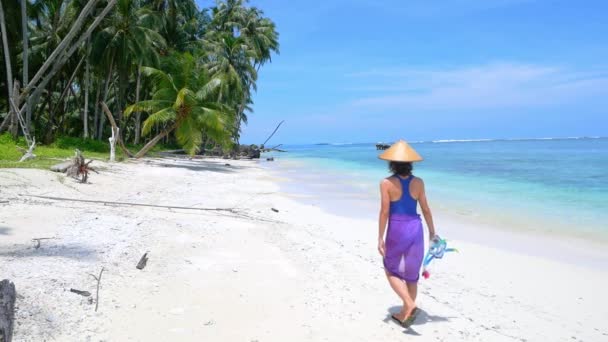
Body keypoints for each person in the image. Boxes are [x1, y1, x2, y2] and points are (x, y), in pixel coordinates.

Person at [377, 140, 436, 326]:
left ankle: (409, 305)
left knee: (390, 267)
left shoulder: (386, 183)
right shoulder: (418, 182)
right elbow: (426, 209)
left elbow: (385, 211)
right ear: (410, 163)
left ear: (391, 163)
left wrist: (380, 236)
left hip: (397, 228)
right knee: (411, 274)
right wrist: (432, 232)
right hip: (415, 227)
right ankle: (406, 313)